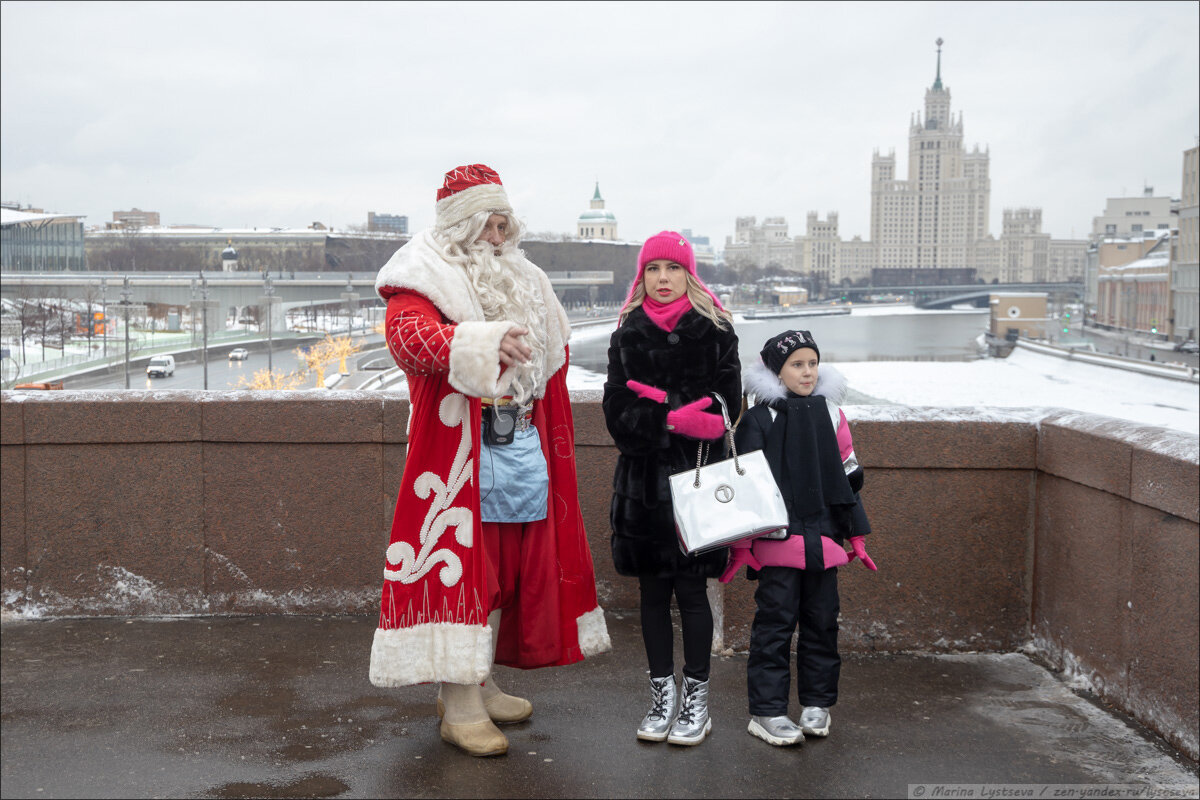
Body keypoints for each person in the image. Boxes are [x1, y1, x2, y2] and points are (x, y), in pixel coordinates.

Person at [367, 164, 611, 757]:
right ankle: (461, 708)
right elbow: (407, 338)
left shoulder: (526, 275)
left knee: (504, 570)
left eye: (506, 225)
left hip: (521, 444)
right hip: (458, 452)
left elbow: (552, 349)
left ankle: (481, 678)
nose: (499, 238)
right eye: (489, 225)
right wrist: (481, 341)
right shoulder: (422, 271)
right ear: (464, 224)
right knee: (463, 573)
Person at [602, 231, 741, 746]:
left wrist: (663, 403)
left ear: (690, 275)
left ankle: (696, 700)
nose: (663, 279)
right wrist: (671, 417)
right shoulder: (626, 334)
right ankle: (661, 695)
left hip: (699, 486)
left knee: (693, 593)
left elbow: (728, 405)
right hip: (642, 492)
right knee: (652, 594)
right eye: (654, 269)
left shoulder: (717, 331)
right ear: (642, 276)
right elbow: (616, 411)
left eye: (673, 269)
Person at [720, 329, 877, 747]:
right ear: (777, 370)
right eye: (797, 365)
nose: (807, 373)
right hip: (778, 545)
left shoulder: (832, 416)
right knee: (773, 629)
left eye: (812, 364)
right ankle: (767, 711)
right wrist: (741, 547)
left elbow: (848, 481)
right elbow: (745, 487)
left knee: (822, 624)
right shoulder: (758, 420)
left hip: (824, 544)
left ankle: (816, 703)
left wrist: (856, 537)